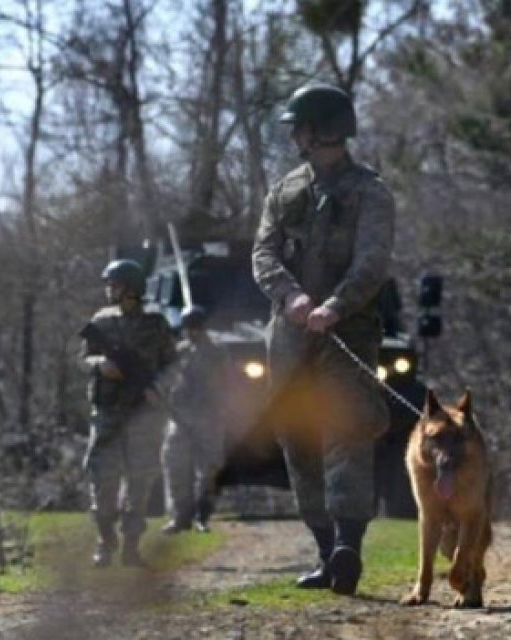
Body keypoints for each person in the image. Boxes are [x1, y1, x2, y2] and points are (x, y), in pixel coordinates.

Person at [251, 82, 394, 596]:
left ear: (322, 130)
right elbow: (263, 254)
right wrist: (290, 297)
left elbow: (372, 261)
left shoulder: (371, 192)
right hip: (289, 337)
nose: (294, 136)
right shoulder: (285, 190)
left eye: (300, 127)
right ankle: (323, 550)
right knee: (297, 437)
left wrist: (336, 305)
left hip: (347, 333)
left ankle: (348, 547)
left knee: (346, 431)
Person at [79, 259, 175, 567]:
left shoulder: (156, 323)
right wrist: (99, 365)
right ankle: (105, 541)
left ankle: (131, 546)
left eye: (115, 284)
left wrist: (157, 388)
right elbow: (84, 358)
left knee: (140, 480)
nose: (109, 290)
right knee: (101, 478)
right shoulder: (102, 321)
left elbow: (172, 365)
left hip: (144, 414)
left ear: (131, 289)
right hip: (107, 411)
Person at [160, 305, 232, 534]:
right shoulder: (179, 351)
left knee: (209, 470)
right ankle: (180, 517)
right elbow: (166, 378)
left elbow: (225, 380)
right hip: (180, 416)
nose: (192, 332)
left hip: (209, 417)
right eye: (188, 327)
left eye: (196, 327)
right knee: (175, 466)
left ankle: (203, 514)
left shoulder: (216, 351)